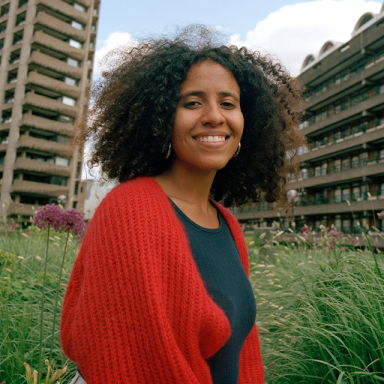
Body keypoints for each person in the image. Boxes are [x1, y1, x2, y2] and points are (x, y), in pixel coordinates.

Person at [61, 26, 304, 384]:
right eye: (192, 102)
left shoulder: (227, 224)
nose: (214, 117)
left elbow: (242, 351)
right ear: (161, 120)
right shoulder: (130, 210)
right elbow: (129, 363)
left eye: (228, 103)